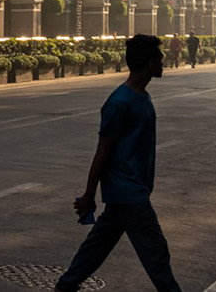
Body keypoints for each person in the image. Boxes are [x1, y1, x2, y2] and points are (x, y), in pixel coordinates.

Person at [55, 34, 183, 292]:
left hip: (126, 192)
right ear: (148, 63)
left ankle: (65, 286)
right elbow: (103, 151)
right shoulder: (120, 102)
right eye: (159, 58)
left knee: (97, 246)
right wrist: (89, 194)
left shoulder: (140, 97)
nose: (163, 61)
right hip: (129, 193)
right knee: (156, 253)